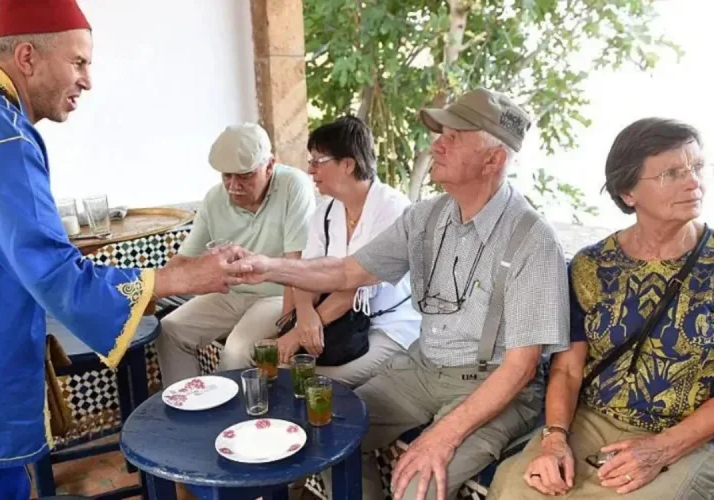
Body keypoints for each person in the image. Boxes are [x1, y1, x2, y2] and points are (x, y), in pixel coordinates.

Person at [0, 1, 238, 498]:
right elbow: (52, 270)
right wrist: (177, 279)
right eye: (79, 62)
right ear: (27, 56)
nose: (88, 80)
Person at [227, 88, 571, 500]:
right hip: (422, 368)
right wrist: (266, 266)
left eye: (453, 136)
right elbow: (346, 270)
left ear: (493, 159)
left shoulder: (534, 241)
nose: (435, 144)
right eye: (439, 133)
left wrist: (440, 438)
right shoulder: (424, 217)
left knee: (416, 488)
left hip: (492, 385)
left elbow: (520, 368)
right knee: (327, 435)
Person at [488, 118, 714, 499]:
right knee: (516, 486)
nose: (693, 182)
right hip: (591, 422)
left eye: (696, 167)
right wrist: (555, 439)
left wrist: (663, 448)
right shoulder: (591, 266)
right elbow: (568, 369)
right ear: (628, 193)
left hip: (688, 434)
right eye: (672, 173)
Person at [156, 122, 316, 386]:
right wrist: (145, 292)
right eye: (226, 176)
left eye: (244, 176)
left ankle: (234, 424)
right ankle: (188, 410)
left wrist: (294, 321)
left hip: (277, 296)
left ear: (270, 165)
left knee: (237, 351)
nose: (233, 186)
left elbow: (296, 265)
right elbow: (184, 260)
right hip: (231, 295)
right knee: (170, 330)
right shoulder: (214, 199)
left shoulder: (294, 186)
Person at [279, 115, 420, 387]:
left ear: (347, 164)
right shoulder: (325, 211)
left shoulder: (392, 209)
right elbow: (304, 272)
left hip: (389, 326)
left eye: (317, 161)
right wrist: (305, 312)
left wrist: (299, 333)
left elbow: (353, 288)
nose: (310, 170)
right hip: (339, 321)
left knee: (319, 379)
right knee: (285, 364)